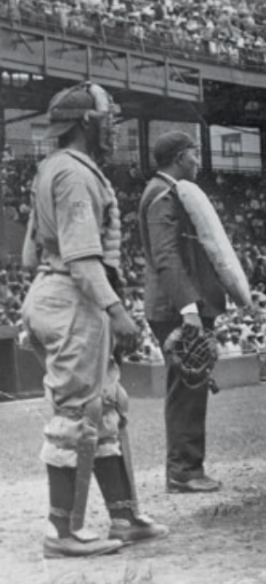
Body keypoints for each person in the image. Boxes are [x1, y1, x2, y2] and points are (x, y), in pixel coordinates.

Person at [19, 82, 168, 558]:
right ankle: (61, 531)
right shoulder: (77, 175)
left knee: (105, 405)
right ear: (87, 122)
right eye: (108, 118)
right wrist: (116, 310)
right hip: (75, 296)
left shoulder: (52, 168)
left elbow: (28, 255)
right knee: (77, 413)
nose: (113, 126)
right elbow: (84, 260)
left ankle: (123, 516)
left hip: (55, 289)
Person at [139, 131, 226, 493]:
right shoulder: (163, 194)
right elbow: (166, 256)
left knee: (191, 384)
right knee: (187, 386)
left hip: (181, 305)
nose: (198, 159)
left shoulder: (169, 191)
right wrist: (189, 309)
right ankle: (184, 471)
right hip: (177, 308)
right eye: (194, 152)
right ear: (178, 156)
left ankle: (187, 468)